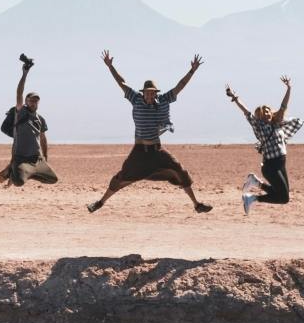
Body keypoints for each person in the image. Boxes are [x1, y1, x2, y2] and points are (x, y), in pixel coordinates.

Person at [87, 51, 212, 214]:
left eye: (153, 92)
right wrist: (110, 66)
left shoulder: (163, 101)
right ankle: (100, 202)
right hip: (139, 152)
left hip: (157, 150)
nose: (150, 95)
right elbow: (121, 83)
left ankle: (197, 205)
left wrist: (192, 70)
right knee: (123, 178)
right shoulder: (136, 99)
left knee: (180, 171)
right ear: (143, 92)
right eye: (148, 92)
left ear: (156, 93)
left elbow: (179, 86)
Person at [225, 76, 302, 213]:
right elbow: (246, 111)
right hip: (270, 166)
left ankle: (254, 186)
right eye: (262, 113)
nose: (266, 114)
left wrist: (289, 88)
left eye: (267, 111)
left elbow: (283, 106)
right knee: (283, 196)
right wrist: (235, 97)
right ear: (259, 117)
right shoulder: (259, 126)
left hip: (281, 163)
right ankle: (253, 197)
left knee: (284, 198)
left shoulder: (277, 122)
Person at [0, 55, 58, 187]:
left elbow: (43, 139)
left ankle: (28, 173)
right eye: (31, 100)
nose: (33, 103)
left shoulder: (40, 119)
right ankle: (13, 169)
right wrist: (25, 73)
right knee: (18, 182)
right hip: (21, 157)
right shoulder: (21, 112)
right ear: (26, 102)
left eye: (36, 101)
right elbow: (19, 93)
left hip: (36, 158)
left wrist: (45, 157)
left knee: (53, 179)